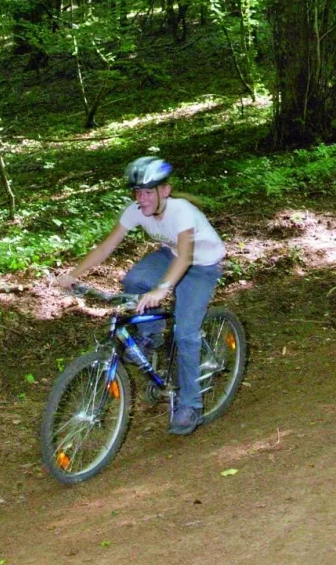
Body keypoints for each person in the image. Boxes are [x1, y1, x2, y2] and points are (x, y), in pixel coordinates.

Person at [53, 157, 225, 436]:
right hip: (170, 256)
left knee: (185, 334)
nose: (141, 199)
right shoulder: (136, 210)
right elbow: (105, 247)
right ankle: (149, 338)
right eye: (137, 192)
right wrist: (74, 275)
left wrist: (162, 289)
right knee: (134, 280)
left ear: (164, 191)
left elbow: (186, 257)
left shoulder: (181, 211)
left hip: (201, 267)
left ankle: (190, 405)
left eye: (147, 192)